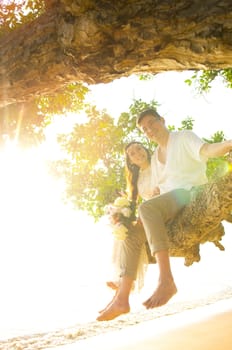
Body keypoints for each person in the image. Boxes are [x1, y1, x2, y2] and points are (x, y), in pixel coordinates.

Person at [97, 108, 232, 321]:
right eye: (144, 129)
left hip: (189, 193)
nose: (149, 129)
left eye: (152, 123)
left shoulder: (183, 137)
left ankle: (166, 279)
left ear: (162, 120)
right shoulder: (156, 158)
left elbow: (207, 150)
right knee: (131, 234)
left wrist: (228, 144)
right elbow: (158, 191)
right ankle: (121, 299)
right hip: (171, 204)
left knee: (146, 209)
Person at [103, 141, 159, 293]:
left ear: (145, 149)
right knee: (122, 230)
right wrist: (122, 209)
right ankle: (120, 277)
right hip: (149, 212)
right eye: (132, 154)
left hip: (162, 208)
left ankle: (127, 279)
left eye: (139, 149)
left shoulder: (158, 164)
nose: (137, 154)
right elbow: (133, 203)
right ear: (130, 160)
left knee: (134, 231)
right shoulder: (136, 178)